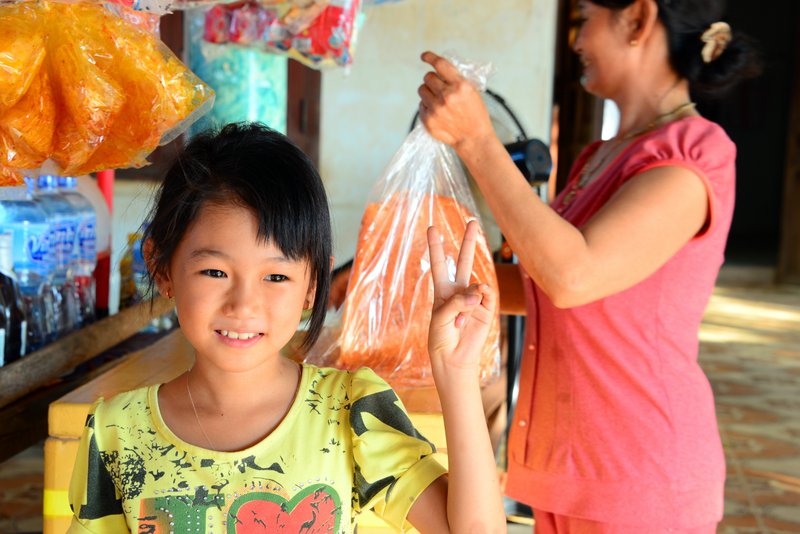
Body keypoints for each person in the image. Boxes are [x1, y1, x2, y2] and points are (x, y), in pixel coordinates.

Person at [418, 0, 761, 532]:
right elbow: (539, 286)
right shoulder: (598, 157)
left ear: (638, 20)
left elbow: (572, 276)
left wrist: (476, 140)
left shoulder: (694, 153)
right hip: (572, 466)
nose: (576, 40)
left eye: (585, 16)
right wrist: (406, 277)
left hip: (639, 475)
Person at [67, 122, 505, 533]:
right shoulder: (116, 433)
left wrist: (457, 375)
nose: (243, 304)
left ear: (314, 284)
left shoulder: (351, 413)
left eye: (276, 277)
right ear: (162, 267)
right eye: (215, 272)